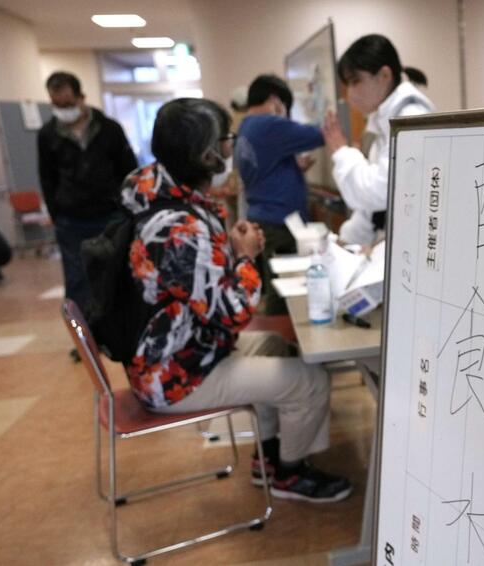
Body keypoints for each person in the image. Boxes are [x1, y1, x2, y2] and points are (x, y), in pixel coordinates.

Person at [121, 97, 351, 503]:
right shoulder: (176, 225)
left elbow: (192, 278)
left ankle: (269, 460)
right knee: (311, 379)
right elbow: (233, 314)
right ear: (206, 153)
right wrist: (246, 257)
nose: (232, 147)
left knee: (279, 347)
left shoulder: (163, 196)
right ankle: (289, 473)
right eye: (226, 139)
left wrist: (226, 247)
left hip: (181, 349)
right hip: (176, 375)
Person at [38, 71, 138, 359]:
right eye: (57, 104)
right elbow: (47, 177)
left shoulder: (109, 129)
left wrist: (128, 209)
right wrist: (56, 211)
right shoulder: (48, 135)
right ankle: (84, 341)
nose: (64, 110)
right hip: (71, 219)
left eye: (68, 103)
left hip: (109, 215)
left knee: (117, 274)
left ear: (81, 98)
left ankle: (121, 331)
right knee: (77, 281)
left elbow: (127, 170)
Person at [322, 34, 434, 246]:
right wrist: (345, 241)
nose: (350, 94)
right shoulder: (385, 124)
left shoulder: (412, 118)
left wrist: (341, 152)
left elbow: (378, 191)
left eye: (355, 81)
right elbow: (371, 212)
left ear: (384, 75)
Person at [235, 74, 325, 315]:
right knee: (285, 292)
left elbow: (263, 169)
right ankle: (283, 345)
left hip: (263, 217)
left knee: (275, 286)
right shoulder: (268, 124)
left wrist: (295, 168)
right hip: (279, 223)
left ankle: (281, 339)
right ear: (276, 101)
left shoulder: (246, 127)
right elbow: (318, 135)